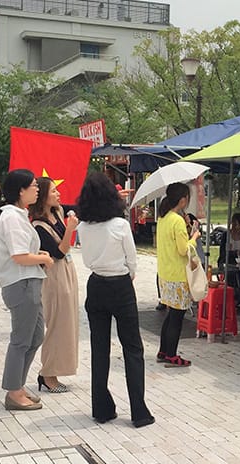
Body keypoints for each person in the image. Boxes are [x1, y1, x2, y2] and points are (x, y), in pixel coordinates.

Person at [76, 172, 155, 428]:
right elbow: (131, 259)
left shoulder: (82, 227)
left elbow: (87, 259)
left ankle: (101, 408)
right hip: (120, 285)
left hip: (96, 283)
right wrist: (129, 273)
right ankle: (139, 412)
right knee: (132, 348)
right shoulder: (119, 225)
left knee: (100, 349)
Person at [0, 169, 54, 411]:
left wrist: (39, 256)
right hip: (21, 283)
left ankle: (18, 384)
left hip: (30, 281)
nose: (37, 189)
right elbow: (19, 256)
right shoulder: (11, 217)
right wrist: (44, 260)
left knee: (36, 335)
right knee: (20, 340)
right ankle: (13, 390)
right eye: (33, 186)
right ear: (20, 190)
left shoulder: (19, 215)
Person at [30, 176, 80, 393]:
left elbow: (81, 207)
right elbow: (59, 252)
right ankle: (47, 373)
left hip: (68, 272)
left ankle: (56, 371)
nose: (58, 194)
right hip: (54, 276)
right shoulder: (38, 226)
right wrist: (70, 229)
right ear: (43, 196)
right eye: (53, 191)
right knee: (56, 325)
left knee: (68, 324)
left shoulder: (57, 212)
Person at [156, 182, 201, 367]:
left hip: (165, 273)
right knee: (177, 317)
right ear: (183, 200)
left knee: (171, 314)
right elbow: (184, 250)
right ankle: (172, 355)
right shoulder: (177, 221)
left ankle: (164, 350)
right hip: (178, 275)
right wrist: (195, 237)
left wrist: (188, 229)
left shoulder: (163, 217)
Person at [218, 212, 240, 310]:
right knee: (232, 275)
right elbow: (222, 253)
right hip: (228, 262)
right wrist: (234, 252)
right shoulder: (226, 235)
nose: (237, 227)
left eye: (239, 225)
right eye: (235, 224)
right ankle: (233, 299)